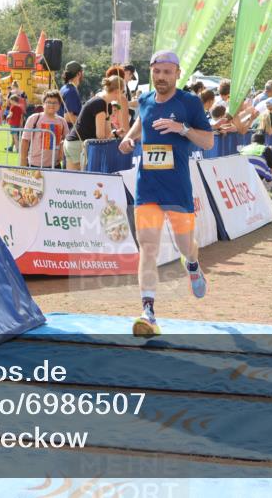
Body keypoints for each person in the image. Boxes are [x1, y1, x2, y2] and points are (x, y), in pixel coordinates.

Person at [118, 50, 214, 336]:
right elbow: (140, 121)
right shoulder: (146, 100)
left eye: (167, 72)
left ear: (177, 73)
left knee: (186, 247)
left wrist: (181, 128)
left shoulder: (189, 103)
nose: (161, 77)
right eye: (157, 72)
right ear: (151, 72)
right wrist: (129, 137)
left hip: (177, 189)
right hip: (146, 187)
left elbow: (208, 142)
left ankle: (193, 265)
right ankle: (148, 313)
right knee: (148, 247)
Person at [63, 75, 129, 171]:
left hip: (74, 143)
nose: (123, 96)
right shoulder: (100, 103)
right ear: (117, 91)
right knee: (79, 181)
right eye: (123, 92)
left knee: (72, 181)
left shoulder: (106, 104)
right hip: (79, 144)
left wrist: (115, 133)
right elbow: (100, 136)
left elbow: (106, 135)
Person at [241, 130, 272, 218]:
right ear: (263, 142)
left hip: (243, 184)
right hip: (257, 184)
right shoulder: (265, 149)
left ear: (251, 141)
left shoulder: (244, 149)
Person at [20, 90, 69, 168]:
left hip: (55, 165)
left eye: (55, 102)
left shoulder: (62, 121)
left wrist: (61, 151)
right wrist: (23, 161)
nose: (51, 105)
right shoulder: (34, 118)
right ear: (43, 104)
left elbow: (66, 141)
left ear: (59, 105)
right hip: (34, 165)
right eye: (48, 102)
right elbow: (25, 141)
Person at [58, 61, 84, 129]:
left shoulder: (64, 88)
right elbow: (68, 117)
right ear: (79, 74)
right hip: (69, 133)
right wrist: (86, 122)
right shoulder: (71, 91)